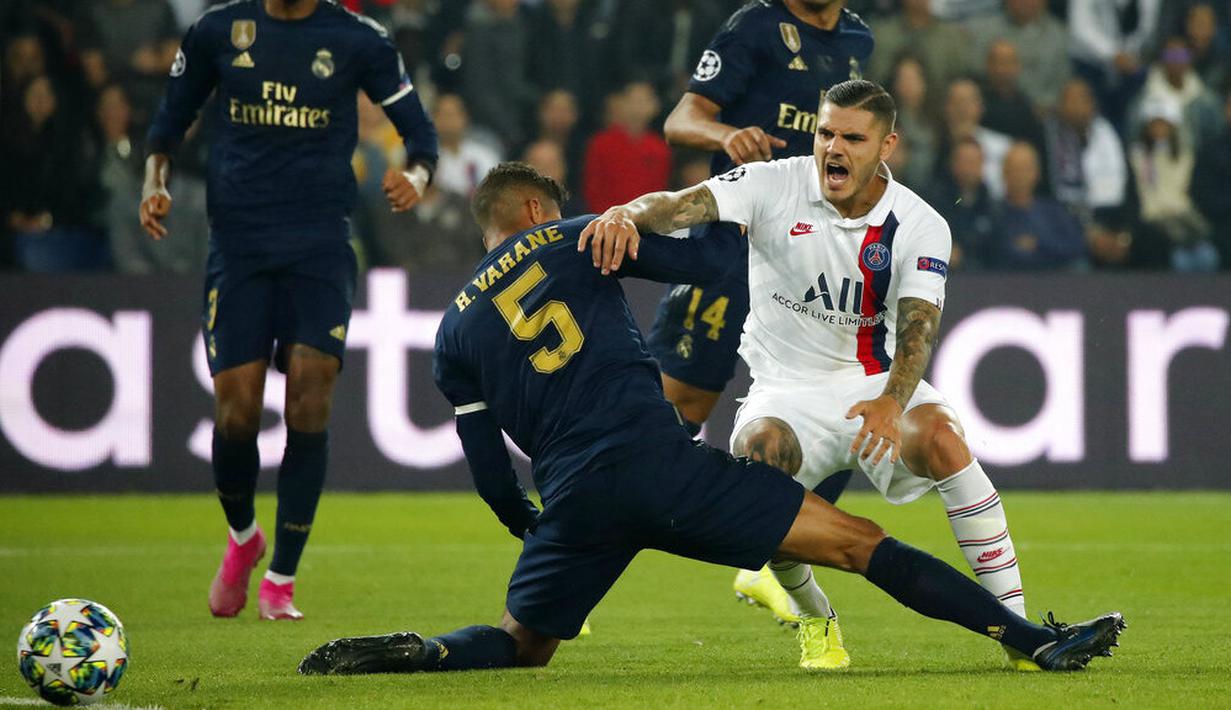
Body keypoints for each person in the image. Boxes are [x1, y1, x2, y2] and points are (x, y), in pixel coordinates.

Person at [296, 162, 1125, 676]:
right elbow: (704, 260)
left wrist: (535, 528)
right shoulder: (580, 237)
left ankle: (427, 652)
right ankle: (1028, 637)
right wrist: (679, 223)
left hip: (574, 497)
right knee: (858, 543)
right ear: (533, 214)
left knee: (522, 643)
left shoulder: (450, 333)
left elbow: (485, 465)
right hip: (660, 465)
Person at [586, 79, 1043, 671]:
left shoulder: (920, 223)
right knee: (759, 456)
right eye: (827, 133)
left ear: (887, 146)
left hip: (872, 381)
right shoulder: (772, 182)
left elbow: (918, 329)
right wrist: (626, 212)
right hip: (785, 389)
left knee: (945, 441)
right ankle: (815, 619)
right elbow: (680, 203)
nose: (835, 148)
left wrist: (890, 401)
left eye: (854, 138)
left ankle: (1019, 630)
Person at [140, 0, 438, 621]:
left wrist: (418, 174)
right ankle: (246, 538)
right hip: (240, 244)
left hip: (321, 242)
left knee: (309, 390)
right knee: (238, 409)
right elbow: (172, 117)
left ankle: (281, 578)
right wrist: (154, 179)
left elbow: (420, 134)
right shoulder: (220, 30)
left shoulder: (359, 39)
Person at [645, 0, 872, 666]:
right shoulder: (754, 26)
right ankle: (565, 556)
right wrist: (724, 136)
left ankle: (770, 555)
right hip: (730, 248)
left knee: (850, 411)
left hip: (813, 258)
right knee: (666, 422)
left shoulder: (857, 37)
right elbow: (680, 118)